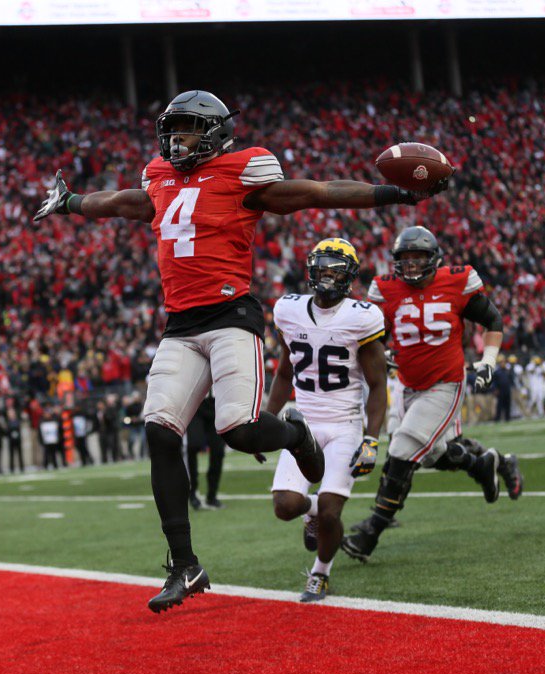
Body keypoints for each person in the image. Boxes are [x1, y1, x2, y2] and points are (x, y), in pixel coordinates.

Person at [33, 90, 446, 612]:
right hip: (180, 324)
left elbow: (318, 192)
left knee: (238, 430)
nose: (175, 139)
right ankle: (184, 565)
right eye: (172, 129)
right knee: (159, 432)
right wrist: (70, 201)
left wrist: (395, 195)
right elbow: (117, 202)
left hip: (231, 315)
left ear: (214, 132)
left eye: (186, 129)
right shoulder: (159, 177)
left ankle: (295, 435)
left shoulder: (243, 171)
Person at [342, 226, 523, 563]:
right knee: (427, 454)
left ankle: (371, 533)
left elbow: (492, 320)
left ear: (434, 258)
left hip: (445, 382)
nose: (411, 265)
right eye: (405, 258)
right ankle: (482, 464)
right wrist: (382, 352)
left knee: (402, 447)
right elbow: (374, 337)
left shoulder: (457, 281)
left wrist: (488, 360)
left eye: (418, 257)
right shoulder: (385, 289)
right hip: (406, 384)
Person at [266, 238, 387, 602]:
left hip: (344, 425)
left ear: (349, 276)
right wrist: (265, 422)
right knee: (285, 506)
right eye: (322, 269)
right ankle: (311, 512)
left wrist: (371, 439)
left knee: (332, 513)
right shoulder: (289, 310)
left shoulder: (362, 316)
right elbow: (284, 373)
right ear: (311, 271)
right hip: (302, 425)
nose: (328, 276)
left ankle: (320, 573)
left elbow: (378, 385)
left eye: (336, 270)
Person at [186, 394, 226, 511]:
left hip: (217, 404)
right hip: (195, 403)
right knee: (192, 445)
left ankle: (212, 495)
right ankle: (192, 491)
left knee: (218, 451)